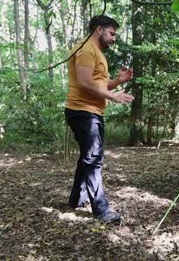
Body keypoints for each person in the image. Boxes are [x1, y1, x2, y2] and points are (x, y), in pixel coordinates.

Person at [65, 15, 134, 223]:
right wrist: (114, 96)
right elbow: (85, 83)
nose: (113, 38)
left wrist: (117, 81)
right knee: (93, 159)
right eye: (111, 33)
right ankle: (102, 211)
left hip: (91, 111)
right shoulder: (86, 49)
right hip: (82, 111)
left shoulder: (98, 53)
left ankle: (76, 199)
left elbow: (98, 86)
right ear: (98, 30)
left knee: (88, 157)